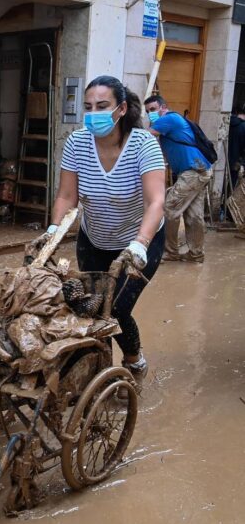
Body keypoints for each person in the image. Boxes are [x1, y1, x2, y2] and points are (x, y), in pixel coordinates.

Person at [41, 75, 166, 388]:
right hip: (94, 238)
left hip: (139, 242)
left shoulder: (143, 145)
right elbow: (67, 196)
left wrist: (140, 243)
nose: (93, 113)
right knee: (90, 307)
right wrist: (54, 231)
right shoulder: (78, 143)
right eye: (88, 107)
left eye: (102, 105)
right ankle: (102, 372)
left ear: (121, 108)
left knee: (117, 309)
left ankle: (134, 360)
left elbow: (156, 202)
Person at [144, 95, 213, 263]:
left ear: (163, 107)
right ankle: (196, 254)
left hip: (193, 171)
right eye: (147, 112)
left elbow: (145, 136)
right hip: (200, 170)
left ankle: (170, 251)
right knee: (194, 215)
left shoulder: (169, 118)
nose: (150, 114)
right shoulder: (171, 121)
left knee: (169, 208)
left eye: (153, 109)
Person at [228, 103, 245, 187]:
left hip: (224, 159)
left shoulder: (228, 122)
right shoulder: (243, 126)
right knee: (231, 184)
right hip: (235, 161)